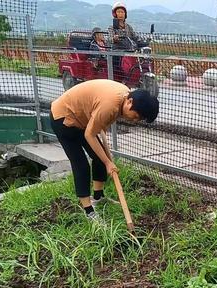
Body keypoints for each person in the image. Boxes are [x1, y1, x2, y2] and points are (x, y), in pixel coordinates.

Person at [50, 79, 159, 222]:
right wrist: (108, 162)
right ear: (130, 102)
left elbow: (99, 117)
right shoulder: (110, 105)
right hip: (63, 118)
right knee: (81, 165)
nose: (135, 120)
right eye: (137, 116)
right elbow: (89, 134)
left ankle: (98, 197)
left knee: (99, 157)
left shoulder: (123, 96)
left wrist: (105, 157)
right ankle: (89, 211)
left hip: (82, 120)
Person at [109, 2, 140, 81]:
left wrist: (140, 40)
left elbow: (134, 36)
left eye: (122, 12)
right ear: (115, 14)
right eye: (118, 12)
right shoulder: (112, 27)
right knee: (116, 62)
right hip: (117, 50)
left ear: (125, 14)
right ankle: (117, 78)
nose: (120, 14)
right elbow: (109, 38)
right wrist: (114, 38)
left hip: (129, 50)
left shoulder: (128, 27)